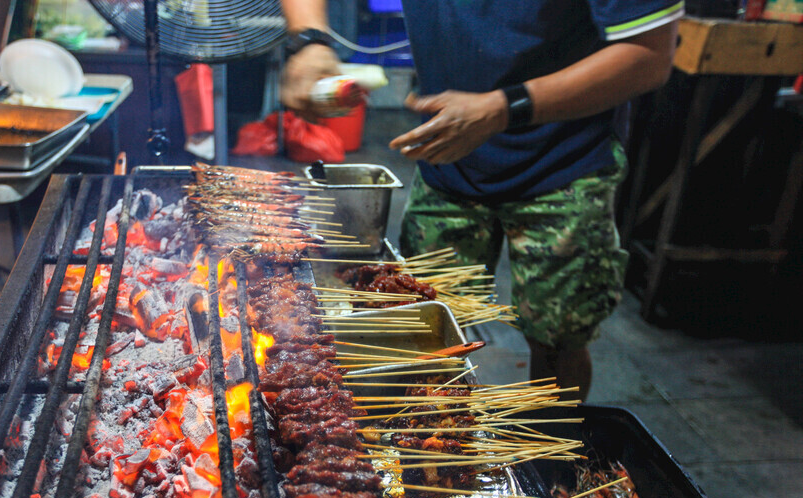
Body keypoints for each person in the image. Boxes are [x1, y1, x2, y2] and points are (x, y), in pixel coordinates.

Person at [280, 0, 682, 400]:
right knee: (420, 327)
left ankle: (557, 452)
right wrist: (311, 39)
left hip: (564, 161)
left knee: (559, 340)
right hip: (448, 156)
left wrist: (504, 109)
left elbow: (650, 54)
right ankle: (434, 433)